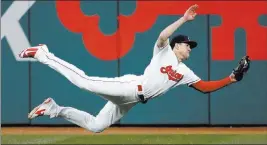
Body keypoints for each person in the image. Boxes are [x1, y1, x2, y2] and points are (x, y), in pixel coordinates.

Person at [19, 4, 249, 133]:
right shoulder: (164, 51)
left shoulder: (185, 72)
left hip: (131, 101)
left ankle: (54, 109)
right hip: (131, 86)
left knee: (97, 126)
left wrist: (231, 78)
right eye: (188, 45)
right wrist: (183, 19)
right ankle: (43, 53)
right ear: (177, 45)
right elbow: (162, 35)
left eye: (191, 46)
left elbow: (204, 87)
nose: (190, 49)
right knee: (84, 81)